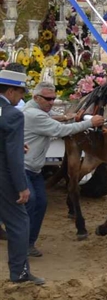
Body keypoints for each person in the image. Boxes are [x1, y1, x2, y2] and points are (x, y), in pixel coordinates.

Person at [22, 83, 102, 256]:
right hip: (24, 168)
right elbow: (61, 131)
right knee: (30, 203)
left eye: (53, 98)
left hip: (34, 170)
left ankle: (28, 243)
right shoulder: (35, 114)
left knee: (41, 203)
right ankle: (22, 244)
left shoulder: (33, 107)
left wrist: (68, 116)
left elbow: (53, 118)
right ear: (36, 98)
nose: (52, 102)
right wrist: (90, 122)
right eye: (48, 99)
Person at [0, 69, 41, 284]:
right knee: (19, 223)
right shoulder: (13, 114)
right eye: (20, 93)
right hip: (4, 178)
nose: (21, 98)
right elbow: (14, 160)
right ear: (10, 90)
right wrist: (22, 186)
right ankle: (20, 272)